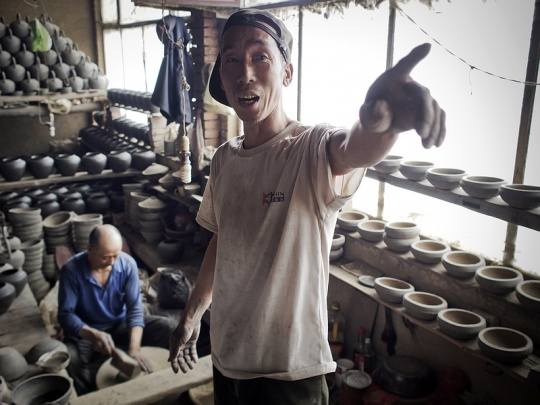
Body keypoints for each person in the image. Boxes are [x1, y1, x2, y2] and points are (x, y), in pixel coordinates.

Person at [168, 9, 445, 405]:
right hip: (227, 361)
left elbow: (354, 149)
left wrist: (380, 121)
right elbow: (222, 240)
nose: (245, 73)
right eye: (231, 60)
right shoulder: (225, 159)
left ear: (287, 73)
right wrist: (192, 314)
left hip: (289, 375)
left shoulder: (310, 149)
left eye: (260, 57)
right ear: (223, 81)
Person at [58, 224, 175, 393]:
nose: (112, 262)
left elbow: (135, 309)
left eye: (116, 255)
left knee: (168, 327)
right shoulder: (71, 270)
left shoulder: (127, 264)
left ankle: (162, 376)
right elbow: (65, 315)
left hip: (120, 325)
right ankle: (95, 393)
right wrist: (91, 334)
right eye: (105, 257)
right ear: (90, 250)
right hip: (88, 332)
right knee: (71, 359)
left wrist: (134, 349)